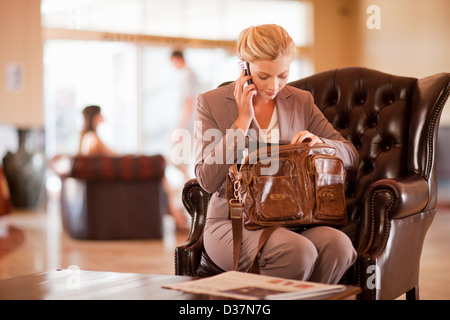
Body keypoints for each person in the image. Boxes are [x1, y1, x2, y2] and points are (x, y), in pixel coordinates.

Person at [194, 24, 360, 284]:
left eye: (283, 75)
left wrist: (320, 145)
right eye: (264, 76)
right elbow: (207, 180)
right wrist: (242, 120)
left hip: (293, 219)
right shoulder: (211, 103)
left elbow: (351, 154)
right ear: (244, 67)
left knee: (339, 246)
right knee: (297, 252)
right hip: (233, 221)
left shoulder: (301, 100)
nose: (274, 86)